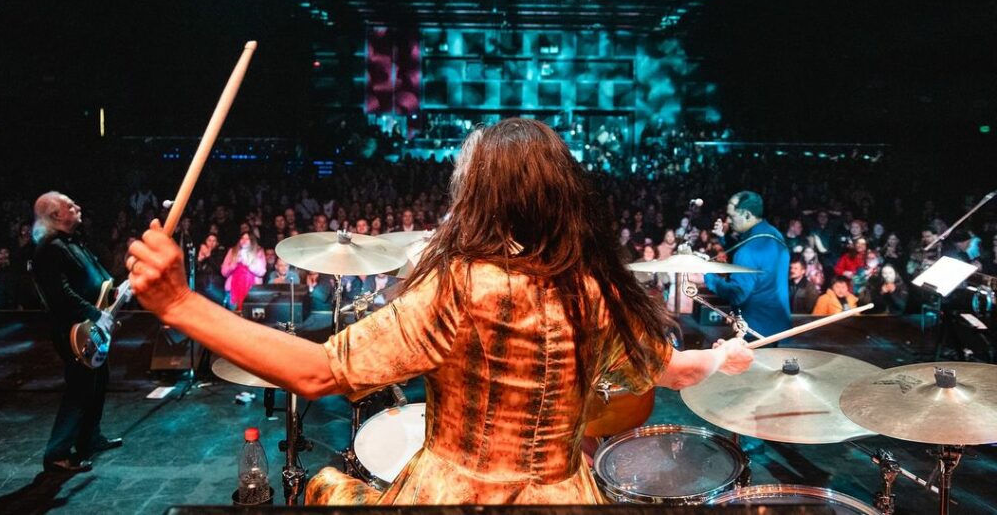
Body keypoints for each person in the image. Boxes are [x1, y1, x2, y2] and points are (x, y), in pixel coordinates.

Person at [127, 118, 753, 505]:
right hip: (568, 494)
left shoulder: (460, 286)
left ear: (480, 195)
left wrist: (181, 305)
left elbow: (319, 373)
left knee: (325, 487)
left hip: (454, 494)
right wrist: (723, 356)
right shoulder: (596, 291)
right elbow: (673, 370)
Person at [30, 192, 122, 473]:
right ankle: (57, 453)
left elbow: (94, 279)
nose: (78, 207)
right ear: (56, 216)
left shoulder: (72, 242)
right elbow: (61, 294)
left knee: (97, 381)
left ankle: (89, 439)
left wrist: (113, 295)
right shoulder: (49, 249)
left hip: (90, 324)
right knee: (80, 388)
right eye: (70, 205)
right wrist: (96, 315)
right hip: (73, 329)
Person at [691, 191, 791, 338]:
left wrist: (706, 277)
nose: (729, 221)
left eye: (732, 216)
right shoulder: (774, 234)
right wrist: (724, 239)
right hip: (779, 324)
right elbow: (758, 264)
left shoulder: (746, 252)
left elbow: (737, 294)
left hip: (754, 330)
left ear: (747, 215)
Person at [220, 231, 266, 312]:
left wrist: (248, 263)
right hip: (233, 291)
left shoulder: (258, 251)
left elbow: (262, 272)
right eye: (242, 238)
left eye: (247, 239)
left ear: (252, 241)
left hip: (252, 291)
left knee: (249, 318)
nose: (244, 240)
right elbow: (224, 272)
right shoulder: (232, 251)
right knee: (235, 317)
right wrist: (233, 265)